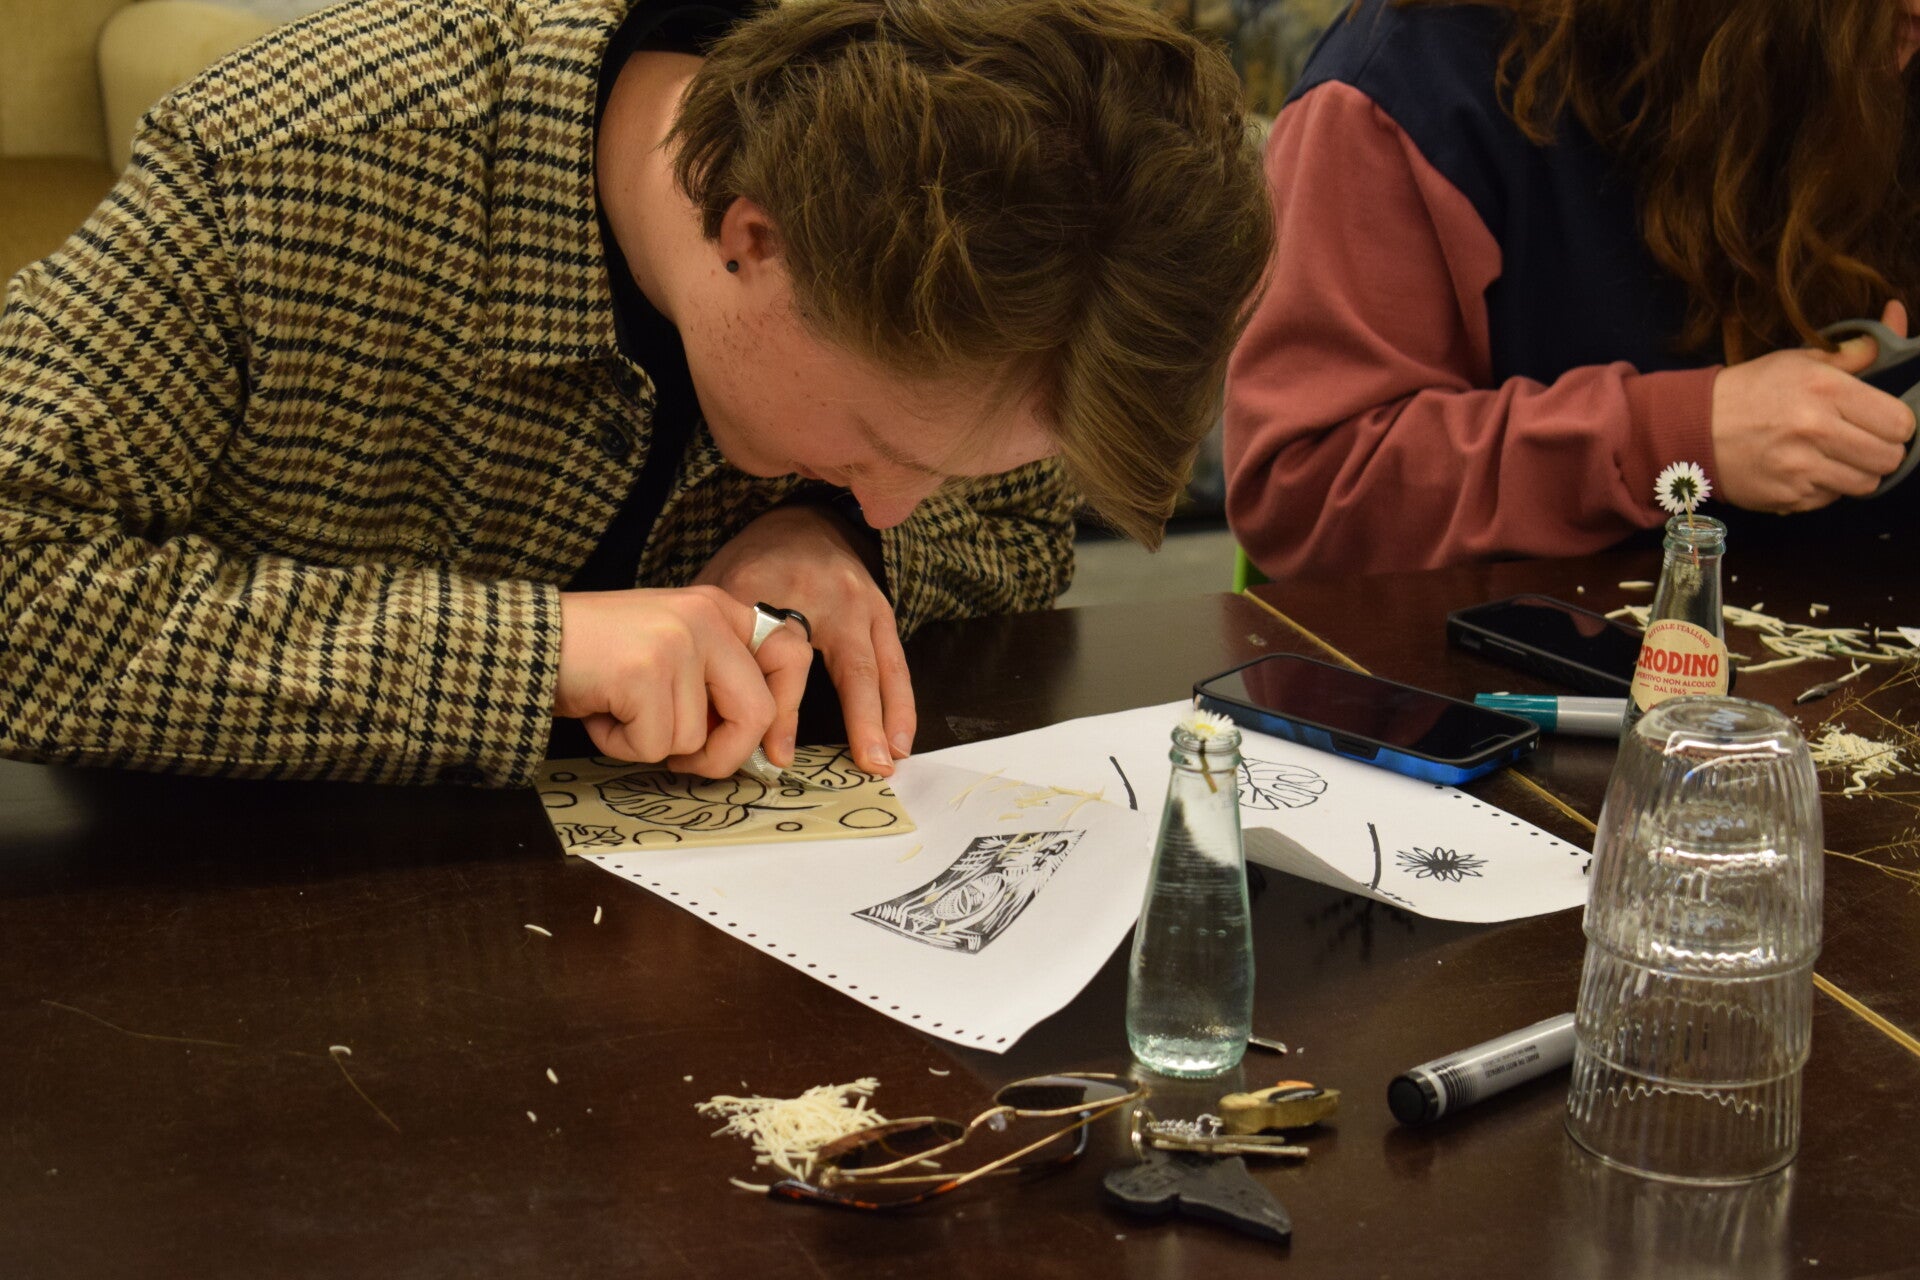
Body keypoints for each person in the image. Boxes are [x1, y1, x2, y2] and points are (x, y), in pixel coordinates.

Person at [0, 0, 1272, 786]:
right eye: (877, 444)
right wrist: (539, 651)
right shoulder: (281, 173)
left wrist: (829, 527)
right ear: (755, 238)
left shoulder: (994, 252)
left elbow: (1013, 529)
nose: (903, 499)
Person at [1223, 0, 1920, 580]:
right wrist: (1672, 438)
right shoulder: (1413, 82)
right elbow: (1306, 490)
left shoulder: (1883, 53)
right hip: (1510, 682)